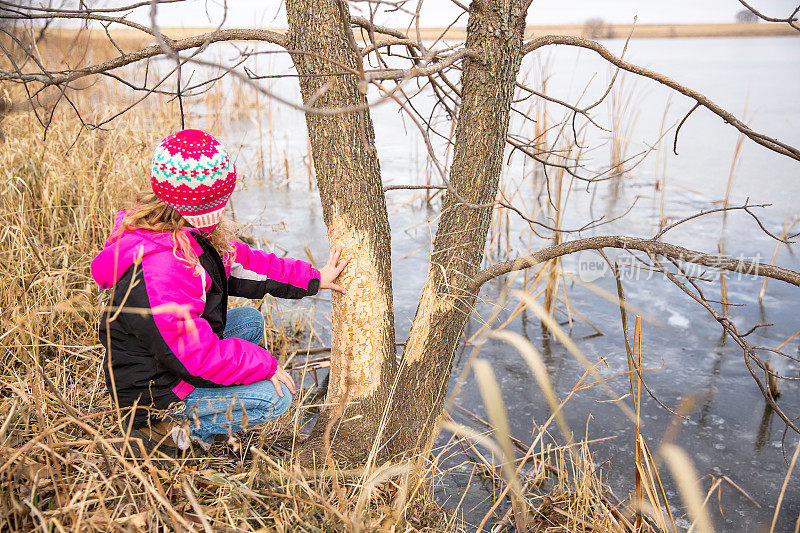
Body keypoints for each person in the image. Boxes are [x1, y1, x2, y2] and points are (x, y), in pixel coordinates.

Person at [90, 128, 348, 453]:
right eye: (220, 202)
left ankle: (199, 414)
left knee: (249, 322)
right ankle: (169, 432)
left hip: (167, 361)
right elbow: (196, 359)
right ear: (203, 206)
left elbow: (248, 264)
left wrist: (313, 279)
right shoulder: (164, 268)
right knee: (275, 399)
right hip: (156, 392)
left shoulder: (185, 231)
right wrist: (266, 365)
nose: (225, 208)